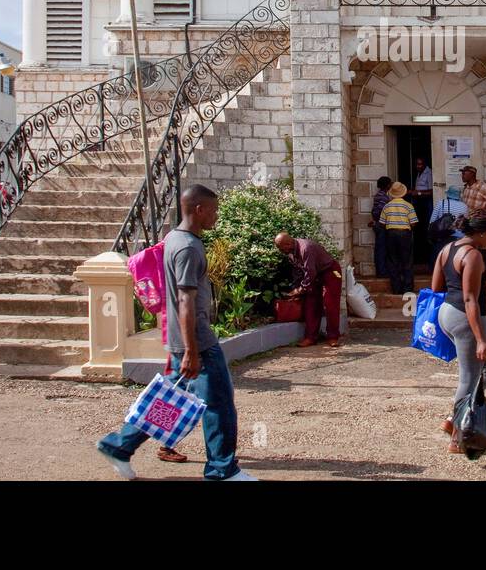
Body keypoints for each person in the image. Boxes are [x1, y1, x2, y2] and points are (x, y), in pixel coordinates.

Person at [97, 184, 256, 481]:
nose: (216, 216)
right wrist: (192, 351)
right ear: (199, 209)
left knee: (167, 399)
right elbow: (185, 300)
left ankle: (119, 446)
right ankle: (222, 470)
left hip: (180, 339)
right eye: (214, 211)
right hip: (197, 342)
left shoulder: (174, 238)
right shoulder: (188, 248)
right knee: (219, 404)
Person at [430, 210, 486, 454]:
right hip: (467, 319)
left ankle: (453, 419)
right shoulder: (473, 255)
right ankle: (457, 438)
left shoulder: (447, 249)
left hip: (447, 312)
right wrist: (480, 339)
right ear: (481, 232)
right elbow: (470, 299)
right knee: (469, 378)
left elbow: (435, 286)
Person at [276, 232, 342, 348]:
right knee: (311, 303)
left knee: (330, 303)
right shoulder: (291, 253)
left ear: (288, 244)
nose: (280, 251)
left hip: (331, 271)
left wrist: (301, 289)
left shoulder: (305, 249)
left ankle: (333, 337)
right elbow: (298, 273)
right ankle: (311, 337)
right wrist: (295, 289)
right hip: (315, 274)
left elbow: (310, 272)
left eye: (281, 248)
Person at [378, 181, 418, 295]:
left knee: (393, 261)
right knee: (407, 261)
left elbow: (382, 223)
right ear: (403, 193)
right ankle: (408, 288)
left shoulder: (387, 206)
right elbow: (414, 223)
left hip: (391, 234)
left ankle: (396, 288)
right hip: (405, 234)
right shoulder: (408, 206)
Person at [428, 186, 468, 255]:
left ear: (448, 194)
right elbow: (465, 224)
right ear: (458, 196)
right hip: (460, 238)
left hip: (443, 237)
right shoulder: (464, 206)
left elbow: (432, 221)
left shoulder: (441, 203)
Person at [408, 157, 434, 261]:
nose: (418, 166)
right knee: (418, 226)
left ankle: (427, 255)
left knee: (426, 226)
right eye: (417, 164)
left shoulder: (429, 173)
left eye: (420, 164)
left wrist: (417, 193)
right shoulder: (419, 173)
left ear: (425, 164)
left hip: (426, 202)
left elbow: (432, 191)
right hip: (418, 202)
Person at [370, 176, 392, 279]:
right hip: (381, 225)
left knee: (380, 248)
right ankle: (382, 271)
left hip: (378, 224)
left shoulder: (379, 195)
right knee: (382, 248)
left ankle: (381, 270)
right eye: (390, 183)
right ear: (387, 185)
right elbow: (378, 210)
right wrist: (380, 220)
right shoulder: (383, 197)